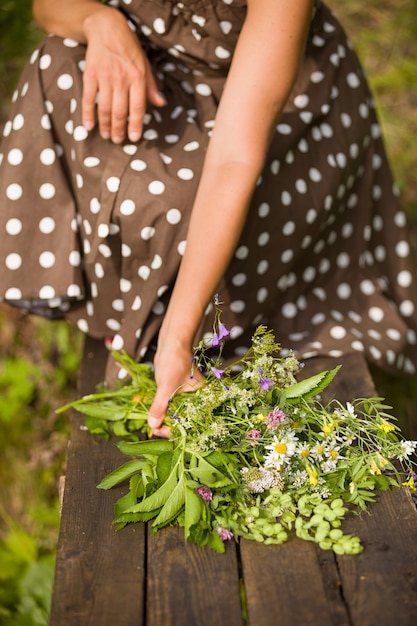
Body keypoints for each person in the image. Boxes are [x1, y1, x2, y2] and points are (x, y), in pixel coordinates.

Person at [1, 0, 416, 438]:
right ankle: (127, 307)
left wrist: (177, 339)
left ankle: (176, 331)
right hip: (158, 72)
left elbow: (233, 159)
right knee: (58, 57)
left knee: (178, 203)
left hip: (273, 112)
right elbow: (47, 6)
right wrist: (98, 21)